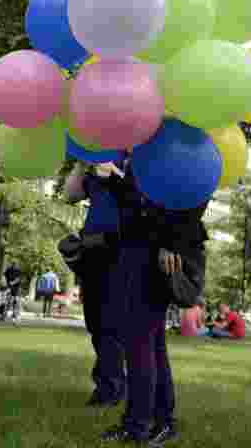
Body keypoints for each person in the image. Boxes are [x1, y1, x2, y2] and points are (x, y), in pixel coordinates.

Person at [91, 153, 210, 445]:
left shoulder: (175, 140)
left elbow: (194, 193)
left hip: (155, 253)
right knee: (149, 344)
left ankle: (140, 426)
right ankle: (159, 421)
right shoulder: (140, 149)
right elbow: (140, 202)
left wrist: (171, 243)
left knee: (141, 344)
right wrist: (113, 182)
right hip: (136, 249)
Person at [64, 160, 127, 409]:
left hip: (118, 250)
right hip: (92, 249)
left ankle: (111, 387)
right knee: (96, 323)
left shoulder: (130, 163)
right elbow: (70, 194)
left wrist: (114, 171)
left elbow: (138, 192)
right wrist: (81, 162)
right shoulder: (95, 173)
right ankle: (108, 383)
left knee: (111, 323)